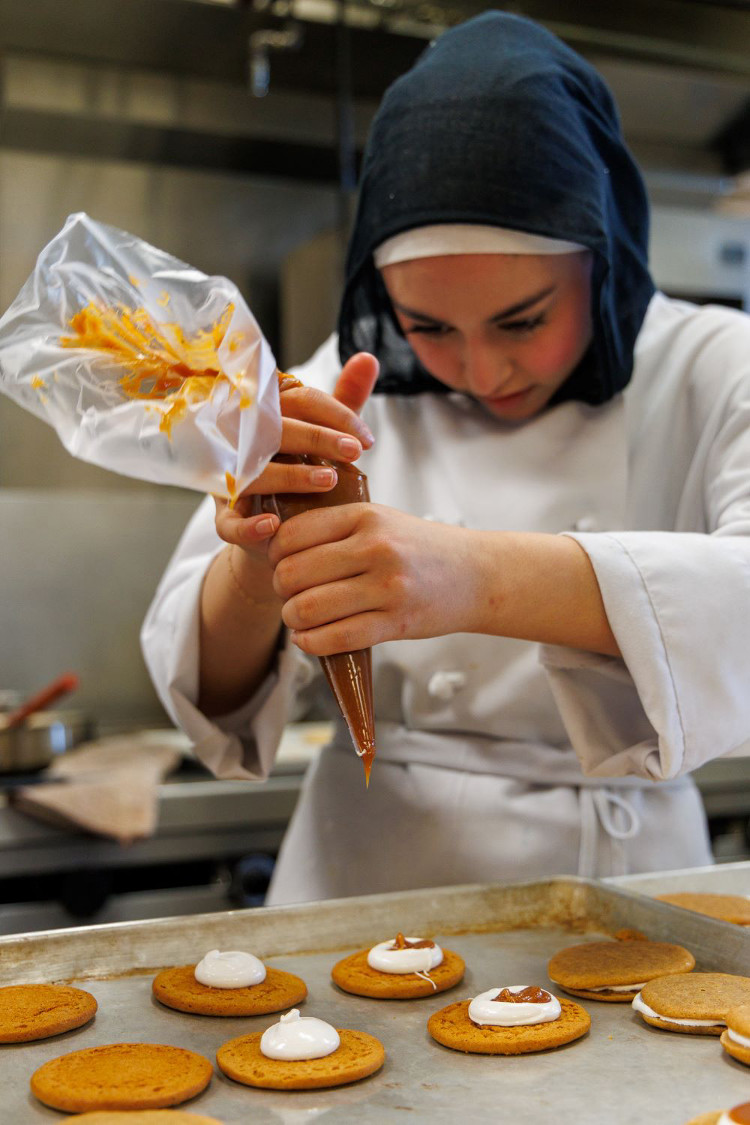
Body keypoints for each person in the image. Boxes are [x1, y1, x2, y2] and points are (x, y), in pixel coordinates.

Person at [142, 11, 750, 904]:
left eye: (524, 319)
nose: (480, 367)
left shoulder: (712, 367)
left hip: (630, 884)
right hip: (368, 880)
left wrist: (477, 578)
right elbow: (212, 697)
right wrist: (257, 567)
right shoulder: (335, 389)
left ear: (604, 255)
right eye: (426, 327)